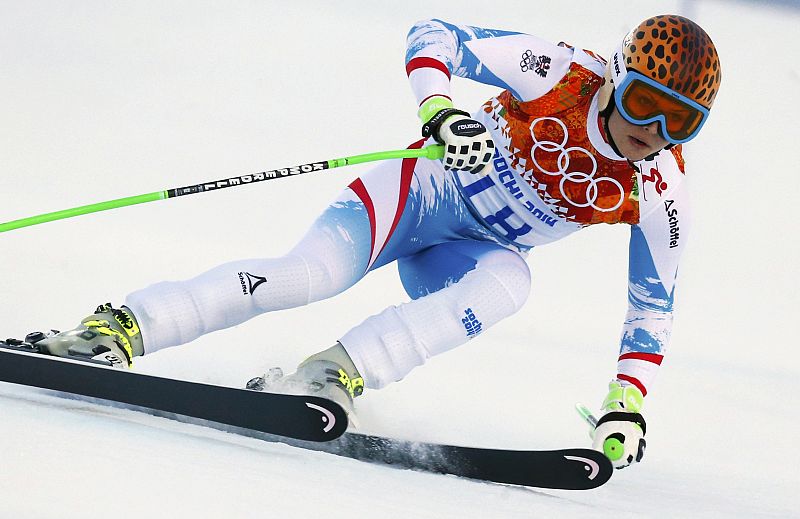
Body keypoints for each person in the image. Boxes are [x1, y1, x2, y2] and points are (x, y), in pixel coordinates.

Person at [23, 14, 721, 469]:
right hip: (416, 196)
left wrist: (626, 403)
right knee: (307, 276)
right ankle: (115, 330)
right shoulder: (562, 74)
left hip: (462, 259)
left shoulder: (661, 192)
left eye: (680, 122)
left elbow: (651, 308)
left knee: (512, 283)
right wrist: (441, 112)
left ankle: (333, 372)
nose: (653, 131)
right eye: (643, 103)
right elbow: (435, 35)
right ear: (617, 79)